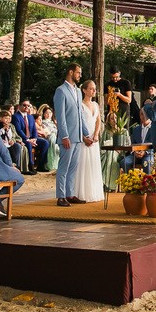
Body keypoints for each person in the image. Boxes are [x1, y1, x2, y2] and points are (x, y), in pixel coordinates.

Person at [53, 62, 88, 206]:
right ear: (71, 72)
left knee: (73, 167)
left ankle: (70, 193)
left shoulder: (79, 91)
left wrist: (86, 134)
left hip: (78, 136)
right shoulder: (61, 91)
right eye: (78, 73)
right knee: (64, 167)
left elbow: (80, 114)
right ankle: (61, 196)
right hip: (67, 136)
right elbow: (60, 116)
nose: (80, 75)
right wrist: (64, 135)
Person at [72, 79, 103, 203]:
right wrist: (84, 138)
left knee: (93, 163)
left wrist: (96, 135)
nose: (93, 91)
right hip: (83, 138)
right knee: (83, 164)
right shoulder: (79, 104)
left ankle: (93, 191)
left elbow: (98, 121)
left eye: (94, 88)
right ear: (84, 90)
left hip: (94, 138)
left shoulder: (95, 105)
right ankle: (81, 193)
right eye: (91, 88)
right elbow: (77, 123)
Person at [12, 99, 47, 175]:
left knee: (45, 143)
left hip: (31, 138)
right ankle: (30, 166)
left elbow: (34, 129)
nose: (26, 107)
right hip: (22, 139)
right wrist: (27, 140)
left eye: (28, 106)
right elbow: (18, 130)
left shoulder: (30, 117)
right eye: (24, 105)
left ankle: (41, 165)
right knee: (28, 144)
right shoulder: (15, 116)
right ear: (20, 106)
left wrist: (34, 139)